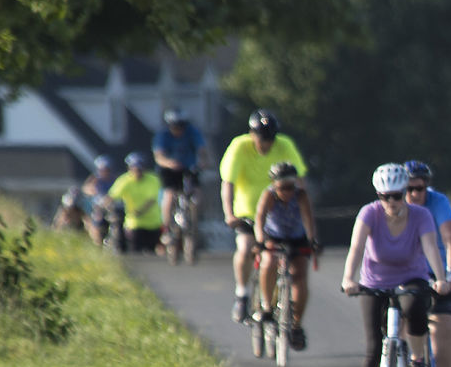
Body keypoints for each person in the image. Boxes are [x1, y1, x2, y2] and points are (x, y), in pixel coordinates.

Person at [341, 163, 450, 367]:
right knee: (373, 348)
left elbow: (430, 247)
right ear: (378, 196)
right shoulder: (369, 214)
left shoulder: (421, 215)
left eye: (397, 196)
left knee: (415, 308)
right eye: (385, 196)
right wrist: (348, 279)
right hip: (373, 281)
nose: (391, 202)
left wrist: (440, 278)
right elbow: (356, 247)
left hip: (411, 276)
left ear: (405, 193)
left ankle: (417, 363)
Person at [219, 109, 307, 323]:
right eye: (261, 138)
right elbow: (228, 183)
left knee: (287, 256)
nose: (266, 143)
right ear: (252, 134)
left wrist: (302, 210)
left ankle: (280, 305)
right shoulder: (239, 147)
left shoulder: (284, 145)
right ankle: (242, 293)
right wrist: (229, 213)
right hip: (247, 212)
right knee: (246, 248)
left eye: (270, 138)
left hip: (277, 214)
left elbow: (300, 179)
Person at [403, 159, 451, 367]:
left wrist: (450, 273)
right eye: (409, 189)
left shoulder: (438, 202)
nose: (415, 194)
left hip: (434, 273)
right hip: (402, 272)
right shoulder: (393, 204)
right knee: (397, 321)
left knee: (445, 326)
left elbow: (449, 239)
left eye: (420, 188)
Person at [252, 161, 319, 350]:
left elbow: (308, 218)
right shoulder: (269, 195)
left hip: (297, 238)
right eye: (282, 188)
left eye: (290, 187)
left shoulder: (301, 195)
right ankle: (267, 305)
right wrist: (260, 241)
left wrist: (312, 240)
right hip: (274, 237)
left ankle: (296, 325)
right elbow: (260, 218)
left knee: (300, 276)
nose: (287, 192)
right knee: (269, 261)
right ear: (274, 185)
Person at [152, 107, 210, 246]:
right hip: (170, 170)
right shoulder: (163, 135)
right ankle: (166, 229)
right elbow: (159, 156)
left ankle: (195, 222)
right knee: (170, 195)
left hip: (188, 168)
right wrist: (169, 163)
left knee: (197, 194)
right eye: (175, 126)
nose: (178, 130)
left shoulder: (192, 132)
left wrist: (203, 162)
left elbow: (202, 150)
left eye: (181, 126)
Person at [108, 152, 164, 253]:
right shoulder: (124, 180)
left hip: (153, 223)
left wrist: (140, 211)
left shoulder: (153, 180)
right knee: (135, 251)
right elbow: (111, 196)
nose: (137, 171)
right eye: (134, 168)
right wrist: (106, 207)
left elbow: (151, 200)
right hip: (135, 223)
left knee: (151, 252)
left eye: (139, 168)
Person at [82, 154, 118, 246]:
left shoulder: (114, 180)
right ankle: (97, 242)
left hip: (111, 207)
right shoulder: (95, 179)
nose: (104, 172)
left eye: (106, 170)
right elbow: (86, 189)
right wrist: (93, 190)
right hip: (98, 209)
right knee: (96, 221)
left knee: (116, 220)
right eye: (102, 170)